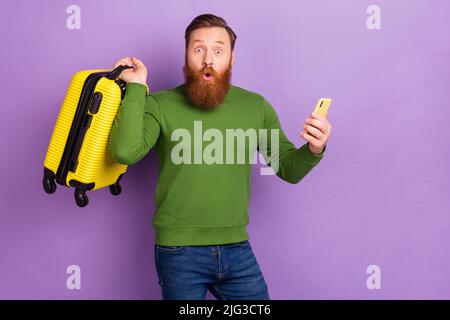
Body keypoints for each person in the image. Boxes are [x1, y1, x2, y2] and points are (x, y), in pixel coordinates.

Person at [109, 13, 332, 300]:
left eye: (218, 50)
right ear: (186, 56)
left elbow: (288, 168)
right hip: (179, 252)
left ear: (231, 59)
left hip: (237, 249)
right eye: (198, 49)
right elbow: (125, 151)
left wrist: (314, 148)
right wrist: (137, 87)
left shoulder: (256, 107)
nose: (208, 60)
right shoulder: (159, 104)